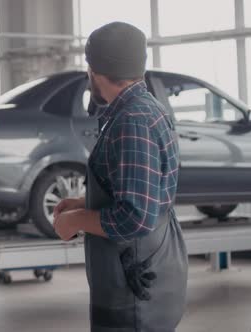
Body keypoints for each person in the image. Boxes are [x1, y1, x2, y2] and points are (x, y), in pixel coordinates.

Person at [53, 22, 188, 331]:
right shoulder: (145, 108)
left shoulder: (131, 122)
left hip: (132, 288)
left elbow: (135, 218)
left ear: (95, 70)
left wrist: (75, 221)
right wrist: (82, 202)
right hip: (148, 269)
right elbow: (141, 192)